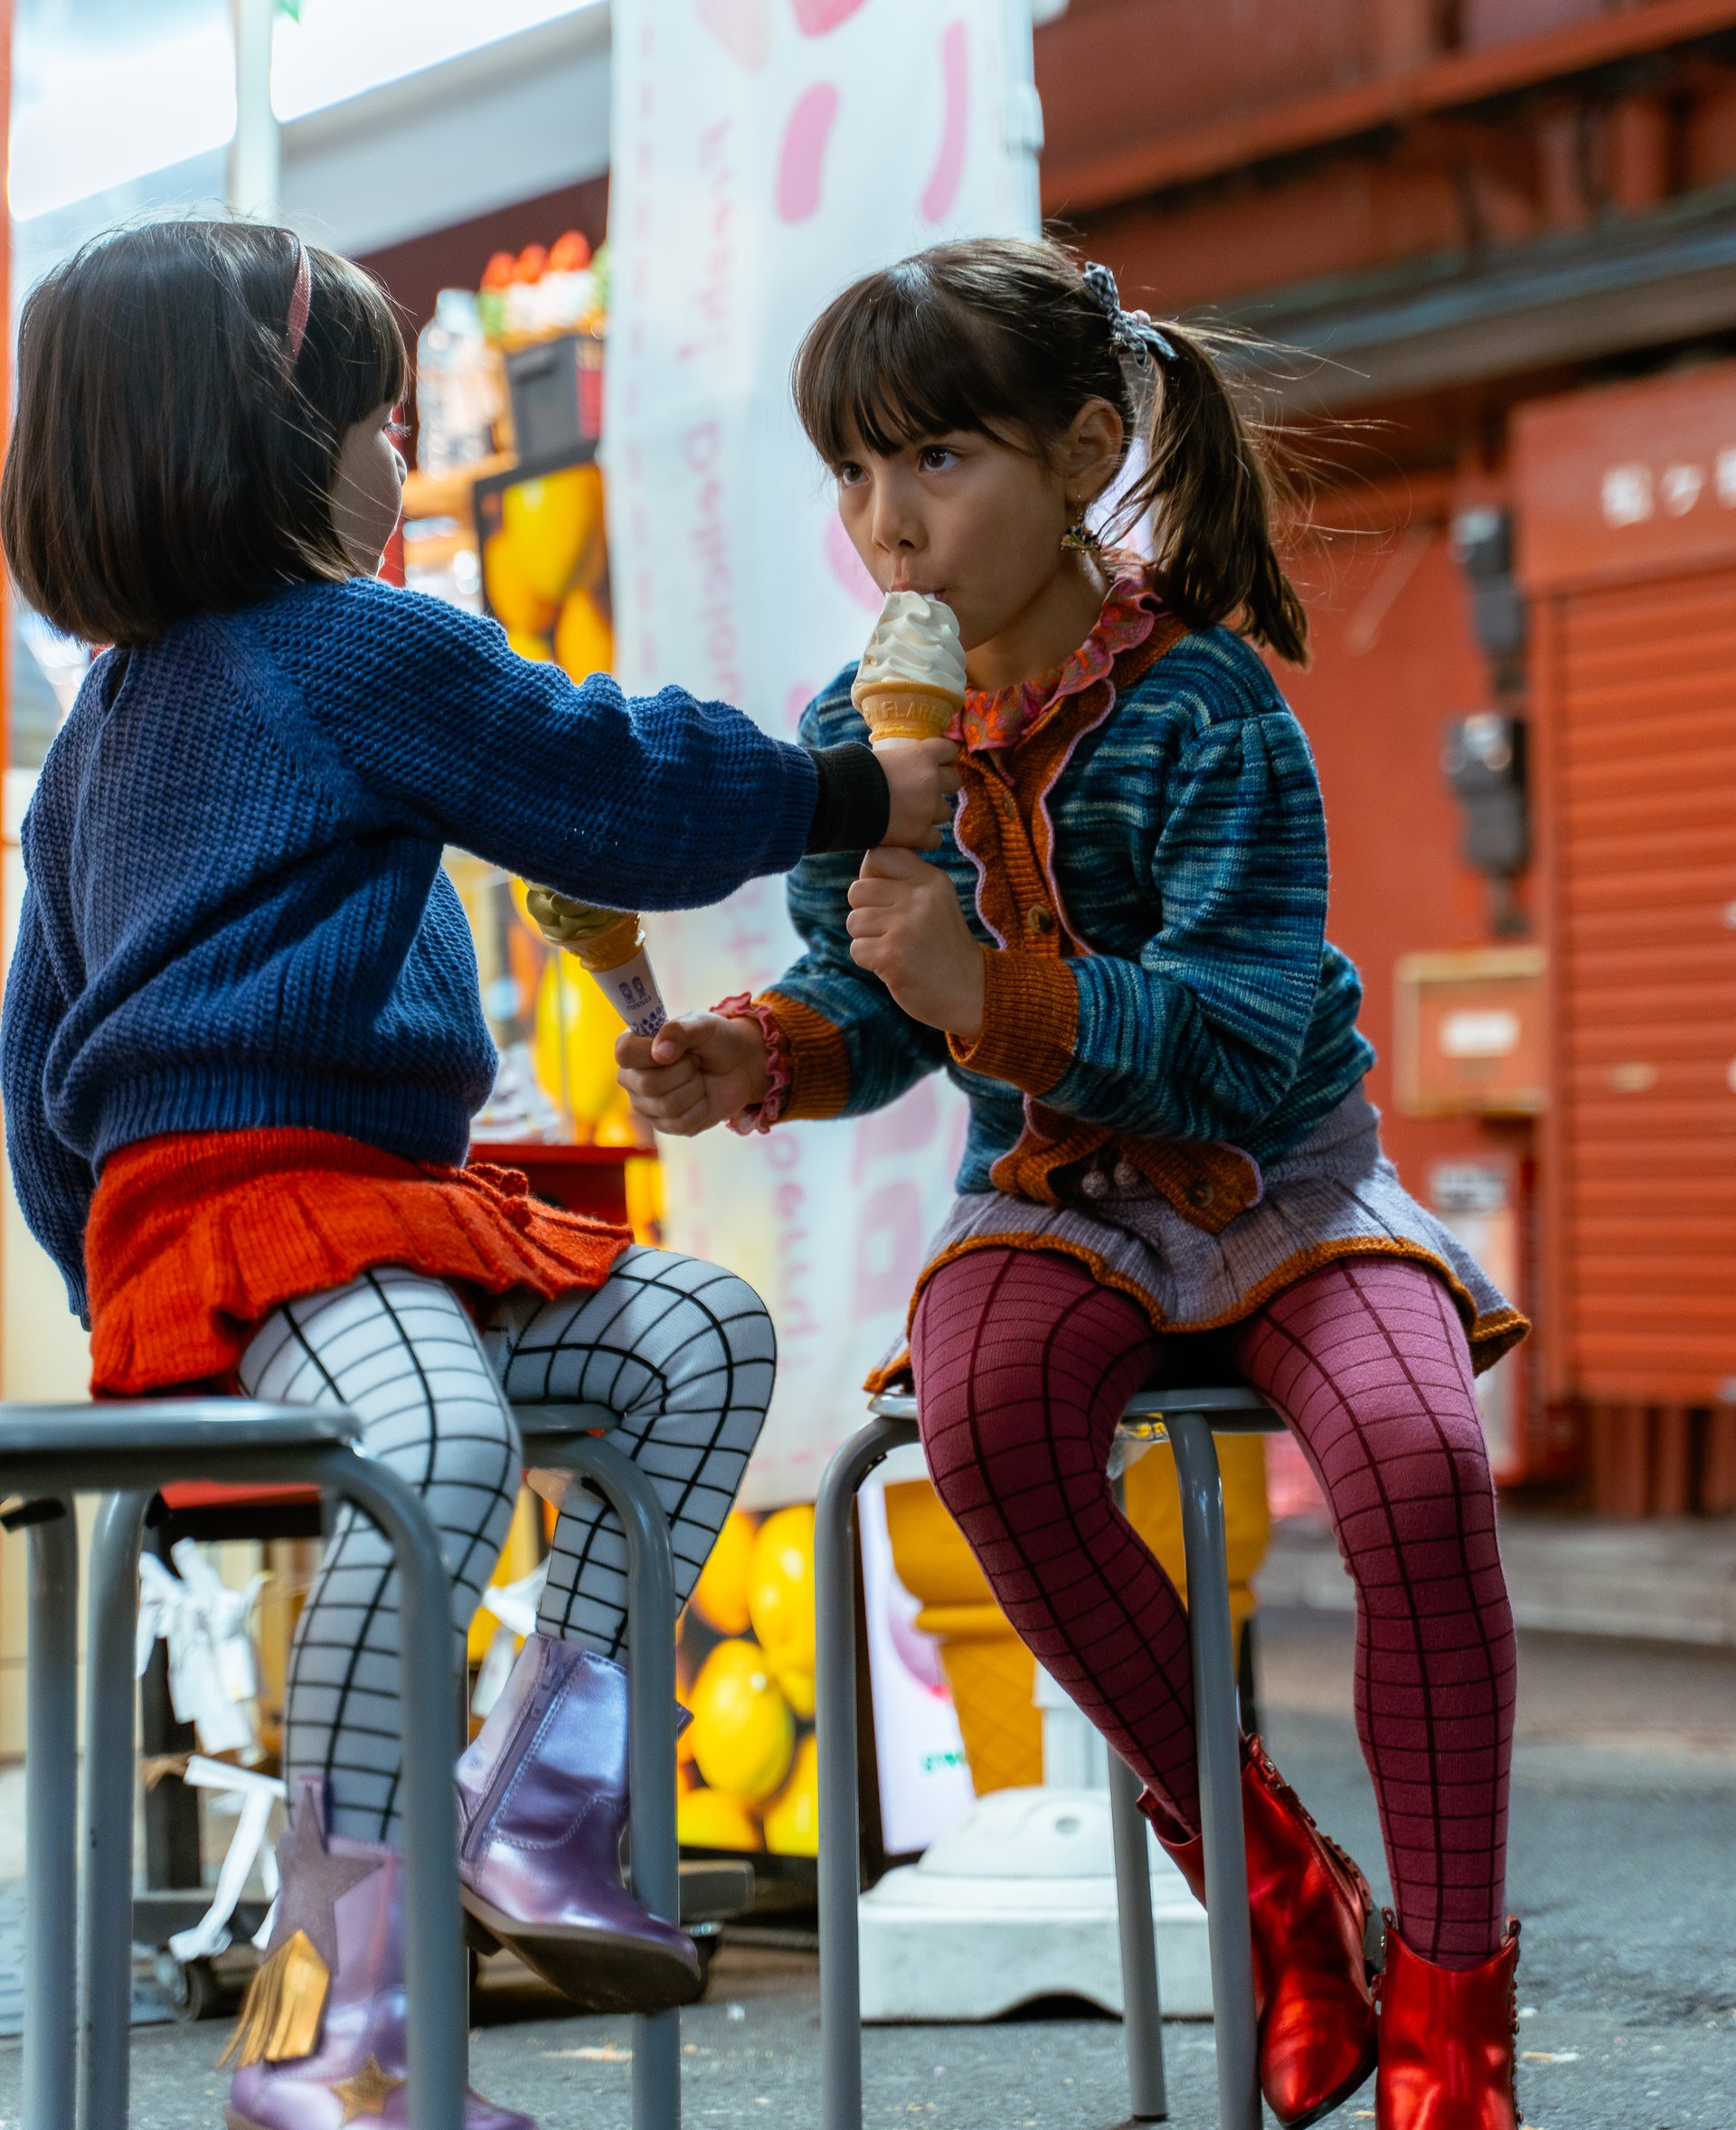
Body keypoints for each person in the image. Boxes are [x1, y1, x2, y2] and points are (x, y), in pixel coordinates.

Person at [0, 221, 956, 2130]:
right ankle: (323, 2017)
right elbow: (609, 781)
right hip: (255, 1215)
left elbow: (33, 1075)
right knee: (436, 1435)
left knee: (693, 1333)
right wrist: (855, 793)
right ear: (274, 438)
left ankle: (537, 1804)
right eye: (385, 422)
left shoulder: (98, 732)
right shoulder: (361, 644)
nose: (407, 459)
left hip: (314, 1233)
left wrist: (123, 1301)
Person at [618, 239, 1530, 2130]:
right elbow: (863, 999)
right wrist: (758, 1053)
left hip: (1283, 1181)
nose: (887, 523)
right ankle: (1275, 1895)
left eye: (938, 460)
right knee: (983, 1423)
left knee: (1417, 1464)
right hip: (1048, 1193)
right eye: (853, 473)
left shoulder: (1209, 707)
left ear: (1087, 453)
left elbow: (1248, 1039)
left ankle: (1453, 2008)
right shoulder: (850, 734)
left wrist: (991, 993)